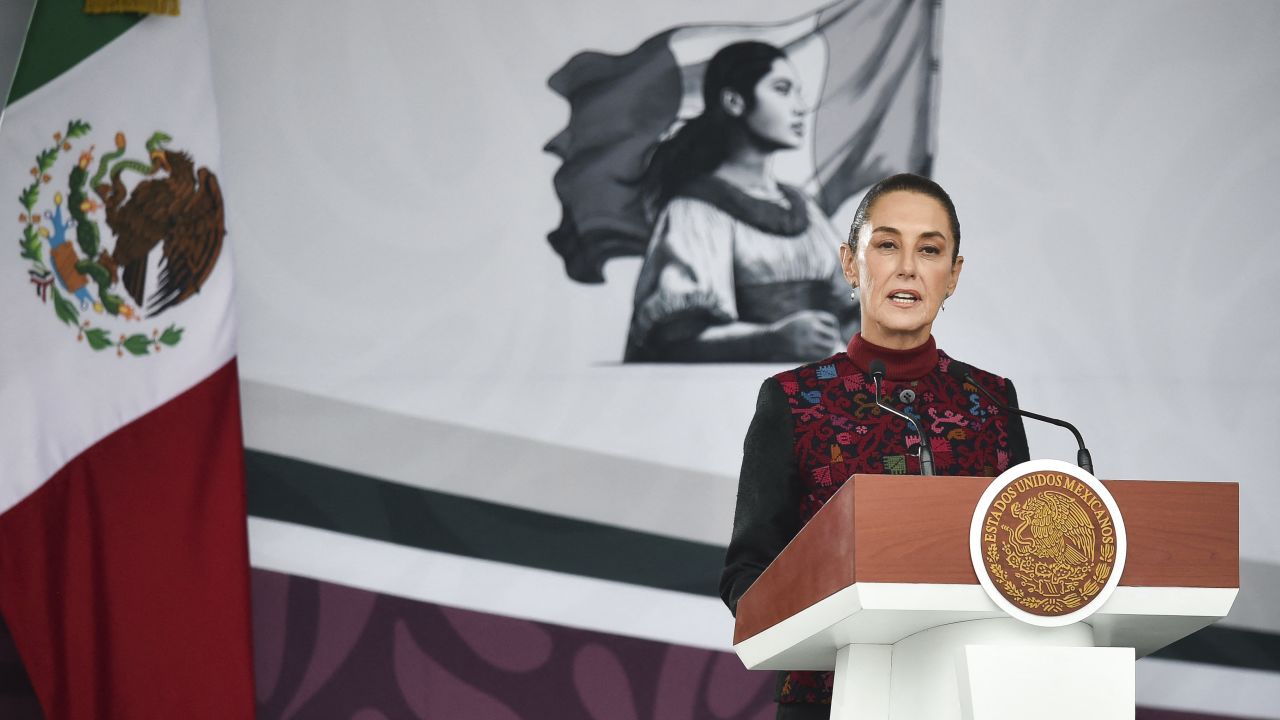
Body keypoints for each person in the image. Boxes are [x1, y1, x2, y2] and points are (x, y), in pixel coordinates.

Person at [718, 173, 1030, 718]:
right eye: (887, 245)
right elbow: (748, 574)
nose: (908, 267)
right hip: (830, 699)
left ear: (953, 275)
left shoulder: (992, 401)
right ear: (849, 264)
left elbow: (1023, 563)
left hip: (972, 696)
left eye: (929, 250)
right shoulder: (793, 401)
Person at [623, 41, 857, 363]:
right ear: (734, 101)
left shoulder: (804, 208)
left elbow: (850, 306)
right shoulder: (695, 211)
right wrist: (769, 341)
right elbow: (674, 338)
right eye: (782, 89)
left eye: (797, 91)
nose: (800, 107)